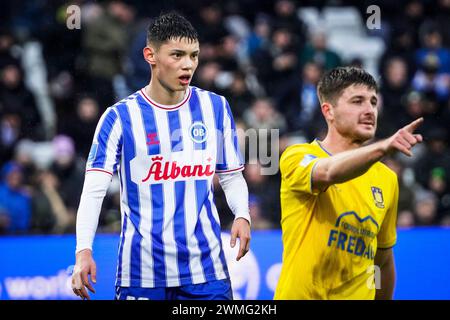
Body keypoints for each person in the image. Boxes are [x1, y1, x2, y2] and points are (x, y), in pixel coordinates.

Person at [71, 12, 251, 300]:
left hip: (206, 272)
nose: (188, 64)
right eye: (177, 55)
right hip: (142, 273)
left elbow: (231, 176)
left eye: (194, 55)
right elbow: (93, 191)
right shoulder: (119, 117)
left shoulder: (215, 107)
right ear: (150, 55)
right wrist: (83, 251)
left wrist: (242, 214)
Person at [274, 67, 423, 300]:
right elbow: (328, 172)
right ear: (328, 111)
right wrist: (383, 147)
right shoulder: (297, 156)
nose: (369, 110)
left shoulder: (387, 179)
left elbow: (382, 261)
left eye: (373, 102)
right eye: (357, 101)